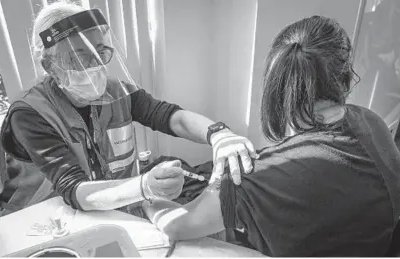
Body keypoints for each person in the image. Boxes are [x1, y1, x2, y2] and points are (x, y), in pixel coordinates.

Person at [142, 16, 400, 256]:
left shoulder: (256, 177)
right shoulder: (372, 121)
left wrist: (147, 195)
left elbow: (174, 226)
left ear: (275, 89)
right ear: (344, 76)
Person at [0, 1, 257, 217]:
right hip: (36, 223)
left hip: (106, 210)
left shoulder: (118, 92)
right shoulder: (29, 114)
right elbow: (72, 187)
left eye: (100, 52)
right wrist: (144, 186)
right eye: (78, 57)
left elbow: (170, 117)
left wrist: (218, 134)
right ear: (51, 67)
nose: (94, 65)